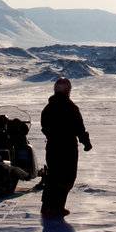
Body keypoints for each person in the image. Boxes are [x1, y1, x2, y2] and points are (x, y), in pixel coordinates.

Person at [39, 75, 91, 217]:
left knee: (53, 176)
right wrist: (86, 142)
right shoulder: (71, 107)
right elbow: (79, 128)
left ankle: (47, 207)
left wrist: (52, 136)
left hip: (52, 147)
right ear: (68, 90)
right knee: (66, 177)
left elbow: (44, 127)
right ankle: (57, 207)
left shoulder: (48, 108)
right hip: (68, 148)